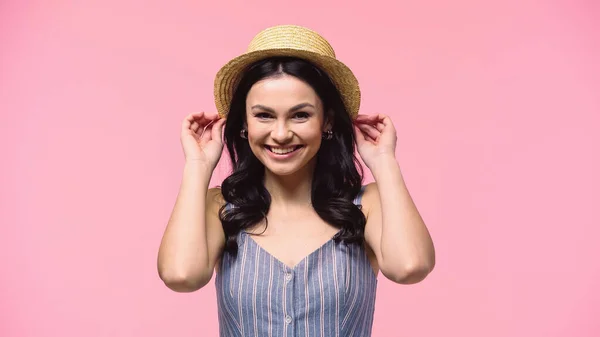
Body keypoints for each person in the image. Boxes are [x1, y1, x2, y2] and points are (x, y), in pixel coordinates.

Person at [157, 24, 435, 337]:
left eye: (300, 115)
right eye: (263, 115)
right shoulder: (220, 207)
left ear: (326, 119)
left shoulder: (367, 206)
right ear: (244, 123)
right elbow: (181, 276)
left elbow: (410, 267)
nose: (280, 133)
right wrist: (197, 165)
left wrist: (384, 162)